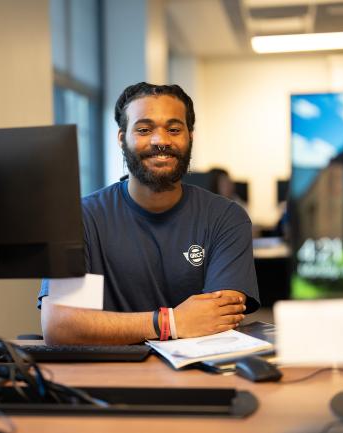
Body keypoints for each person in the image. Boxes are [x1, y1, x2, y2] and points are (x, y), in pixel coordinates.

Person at [39, 82, 259, 345]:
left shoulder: (225, 217)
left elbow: (219, 319)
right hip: (104, 375)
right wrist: (171, 322)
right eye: (144, 129)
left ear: (190, 136)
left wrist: (109, 326)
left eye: (174, 129)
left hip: (197, 376)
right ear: (122, 139)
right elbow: (60, 326)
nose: (161, 141)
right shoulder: (80, 219)